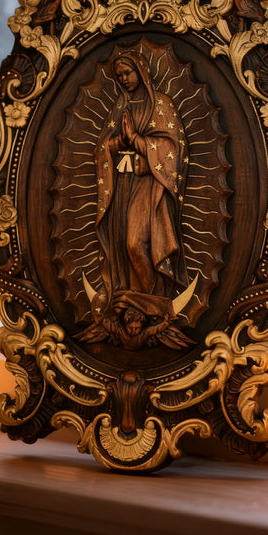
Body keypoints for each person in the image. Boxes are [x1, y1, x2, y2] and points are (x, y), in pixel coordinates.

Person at [91, 52, 190, 341]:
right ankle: (135, 299)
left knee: (137, 242)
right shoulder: (120, 105)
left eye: (128, 72)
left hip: (150, 186)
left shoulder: (161, 104)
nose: (123, 78)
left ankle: (153, 298)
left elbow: (172, 149)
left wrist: (136, 141)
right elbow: (102, 147)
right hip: (122, 185)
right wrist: (117, 143)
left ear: (142, 71)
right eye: (119, 74)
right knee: (123, 244)